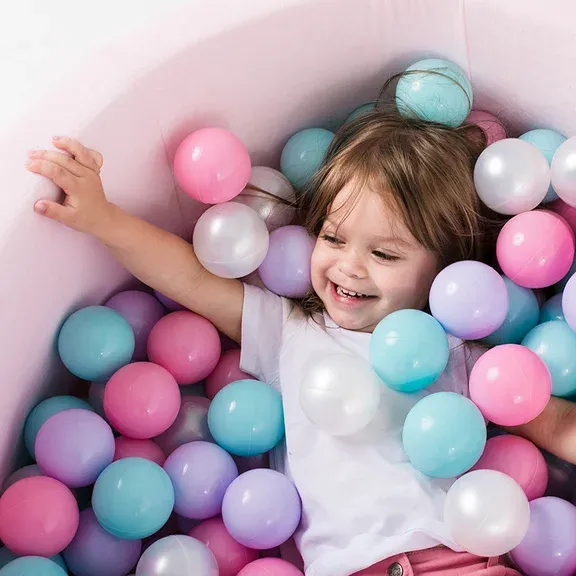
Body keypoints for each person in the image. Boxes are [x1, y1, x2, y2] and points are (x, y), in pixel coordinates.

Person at [26, 101, 576, 576]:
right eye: (333, 238)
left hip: (460, 561)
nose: (349, 266)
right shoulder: (292, 331)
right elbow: (190, 279)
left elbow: (553, 422)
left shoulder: (462, 355)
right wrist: (103, 218)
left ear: (444, 272)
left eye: (384, 254)